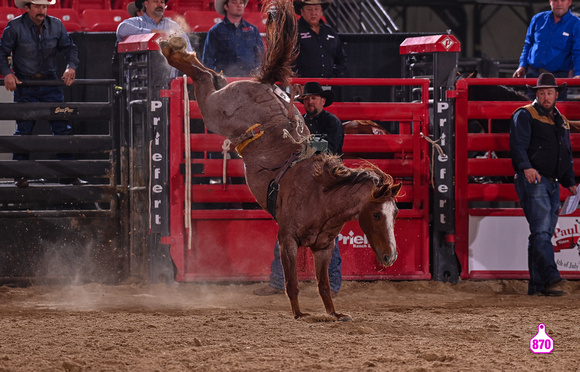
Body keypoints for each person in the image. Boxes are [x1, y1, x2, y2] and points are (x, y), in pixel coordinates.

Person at [254, 82, 345, 297]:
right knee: (287, 230)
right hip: (300, 184)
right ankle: (278, 282)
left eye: (313, 98)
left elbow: (331, 151)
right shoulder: (298, 121)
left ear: (323, 101)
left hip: (324, 184)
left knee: (328, 234)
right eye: (306, 99)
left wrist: (302, 143)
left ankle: (331, 284)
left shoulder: (332, 122)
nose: (309, 102)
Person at [0, 0, 81, 188]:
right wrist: (8, 73)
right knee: (25, 130)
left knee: (61, 127)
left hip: (50, 82)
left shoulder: (56, 25)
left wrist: (71, 67)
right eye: (37, 6)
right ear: (27, 7)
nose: (41, 10)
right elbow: (2, 52)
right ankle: (20, 175)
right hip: (25, 83)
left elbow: (70, 49)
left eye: (44, 7)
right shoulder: (14, 27)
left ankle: (67, 175)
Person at [510, 72, 577, 296]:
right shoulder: (526, 114)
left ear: (556, 94)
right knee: (541, 231)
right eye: (542, 93)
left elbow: (565, 153)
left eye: (549, 92)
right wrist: (526, 167)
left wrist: (570, 182)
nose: (546, 97)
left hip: (552, 181)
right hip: (535, 178)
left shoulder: (559, 118)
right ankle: (551, 277)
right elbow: (518, 144)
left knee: (542, 233)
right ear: (536, 94)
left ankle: (537, 286)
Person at [512, 0, 580, 100]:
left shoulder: (576, 24)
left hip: (557, 78)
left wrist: (578, 73)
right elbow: (528, 44)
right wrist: (522, 65)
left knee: (555, 112)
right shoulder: (538, 19)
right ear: (550, 1)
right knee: (530, 110)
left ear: (569, 2)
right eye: (556, 0)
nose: (559, 3)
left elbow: (577, 51)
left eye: (563, 0)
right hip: (533, 75)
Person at [202, 0, 264, 77]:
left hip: (248, 79)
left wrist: (257, 75)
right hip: (224, 80)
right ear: (226, 7)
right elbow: (208, 59)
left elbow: (260, 56)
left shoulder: (253, 30)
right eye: (234, 2)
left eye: (241, 3)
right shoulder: (215, 31)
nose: (239, 5)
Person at [292, 0, 347, 78]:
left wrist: (334, 76)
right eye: (309, 9)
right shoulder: (293, 31)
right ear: (302, 11)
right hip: (302, 85)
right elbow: (286, 60)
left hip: (328, 85)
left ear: (321, 11)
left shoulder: (330, 32)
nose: (313, 13)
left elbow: (341, 59)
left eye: (317, 9)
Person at [116, 0, 192, 51]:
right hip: (140, 74)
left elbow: (188, 51)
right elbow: (122, 30)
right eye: (155, 1)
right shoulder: (137, 22)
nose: (160, 5)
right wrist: (151, 33)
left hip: (168, 74)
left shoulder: (173, 26)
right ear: (146, 4)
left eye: (162, 2)